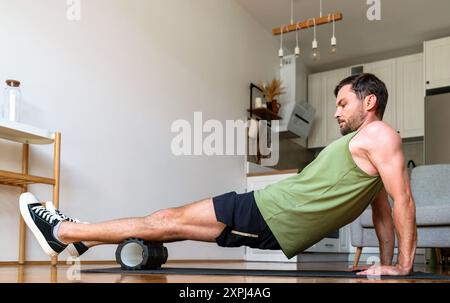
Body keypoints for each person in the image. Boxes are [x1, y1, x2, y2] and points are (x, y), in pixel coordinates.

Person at [20, 73, 417, 276]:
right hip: (269, 212)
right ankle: (83, 239)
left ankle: (63, 232)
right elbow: (381, 210)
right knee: (166, 227)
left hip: (268, 212)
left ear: (370, 101)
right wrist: (384, 267)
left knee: (163, 220)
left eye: (343, 103)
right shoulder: (373, 149)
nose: (336, 112)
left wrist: (401, 267)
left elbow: (402, 202)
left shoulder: (380, 134)